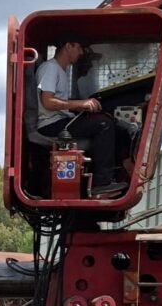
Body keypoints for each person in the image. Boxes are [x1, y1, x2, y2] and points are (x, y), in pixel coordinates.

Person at [36, 37, 126, 195]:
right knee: (103, 124)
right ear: (67, 46)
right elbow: (48, 102)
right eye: (78, 47)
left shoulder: (61, 71)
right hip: (51, 125)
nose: (81, 52)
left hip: (61, 120)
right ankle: (102, 183)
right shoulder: (50, 68)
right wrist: (80, 104)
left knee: (112, 124)